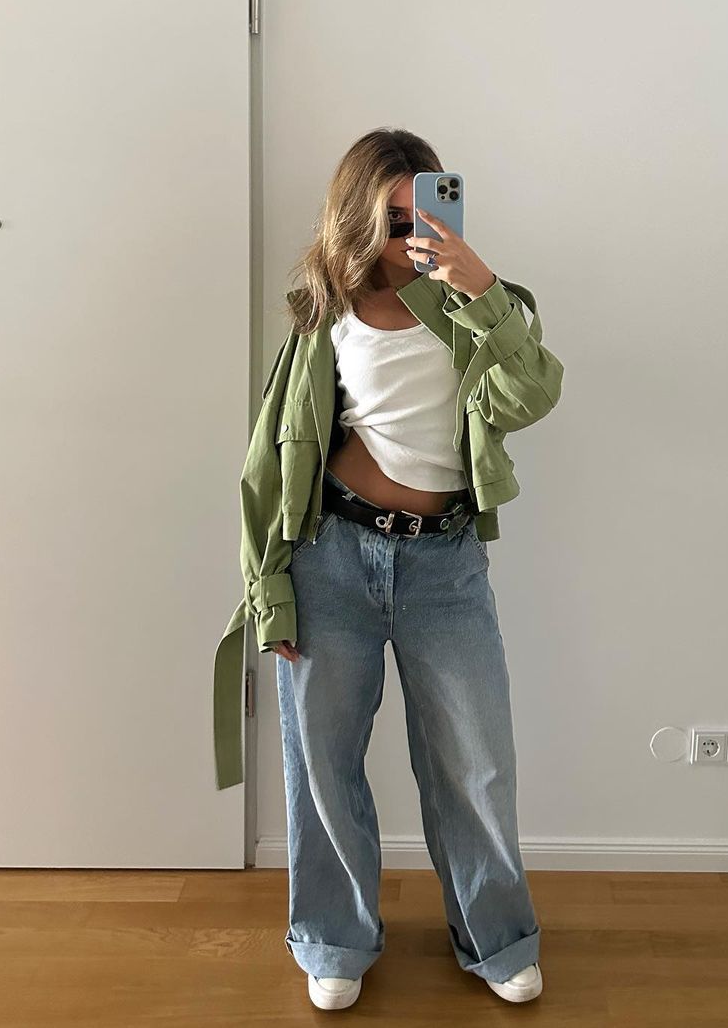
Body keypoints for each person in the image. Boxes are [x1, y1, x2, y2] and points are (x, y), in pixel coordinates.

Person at [230, 127, 563, 1011]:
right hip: (331, 557)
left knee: (476, 764)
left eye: (428, 213)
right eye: (395, 217)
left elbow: (530, 396)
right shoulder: (323, 311)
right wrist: (270, 589)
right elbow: (271, 460)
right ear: (358, 216)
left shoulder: (476, 303)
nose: (413, 234)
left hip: (443, 567)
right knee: (323, 761)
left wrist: (480, 289)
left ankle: (497, 938)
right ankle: (334, 939)